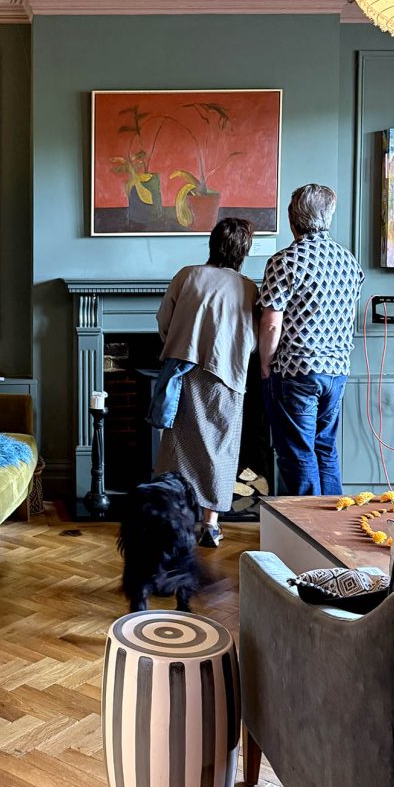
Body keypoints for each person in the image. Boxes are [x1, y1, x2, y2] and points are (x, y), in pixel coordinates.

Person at [153, 217, 258, 547]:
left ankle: (176, 521)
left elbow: (164, 322)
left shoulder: (188, 276)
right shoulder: (248, 286)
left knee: (177, 449)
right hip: (228, 377)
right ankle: (210, 525)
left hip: (186, 374)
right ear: (243, 250)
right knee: (221, 450)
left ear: (213, 243)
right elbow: (252, 338)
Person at [259, 184, 363, 495]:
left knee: (297, 453)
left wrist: (265, 363)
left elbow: (271, 325)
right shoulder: (349, 262)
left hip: (298, 371)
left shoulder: (285, 261)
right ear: (328, 217)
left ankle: (308, 536)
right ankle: (332, 528)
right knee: (325, 450)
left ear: (293, 219)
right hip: (337, 370)